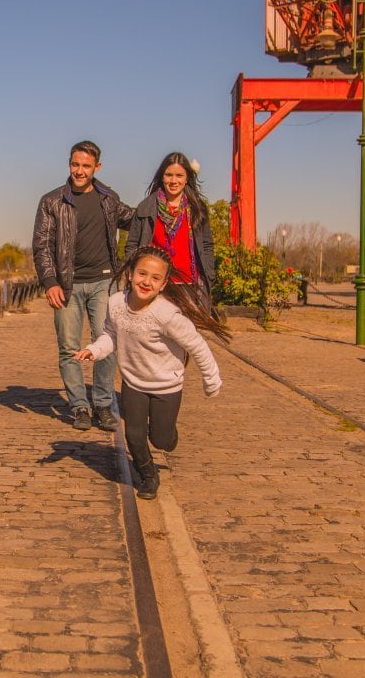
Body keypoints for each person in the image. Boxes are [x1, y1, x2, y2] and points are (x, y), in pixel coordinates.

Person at [75, 245, 228, 500]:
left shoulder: (167, 314)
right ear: (131, 274)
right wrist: (94, 350)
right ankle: (147, 475)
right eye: (142, 274)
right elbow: (111, 336)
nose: (146, 282)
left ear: (164, 284)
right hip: (133, 382)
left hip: (166, 386)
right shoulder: (115, 304)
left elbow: (197, 345)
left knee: (161, 439)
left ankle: (169, 435)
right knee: (134, 435)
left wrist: (211, 379)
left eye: (155, 278)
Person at [33, 140, 134, 432]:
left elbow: (135, 219)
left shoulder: (108, 199)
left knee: (108, 344)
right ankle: (79, 406)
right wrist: (50, 282)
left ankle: (102, 404)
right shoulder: (51, 201)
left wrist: (166, 206)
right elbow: (41, 246)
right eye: (75, 164)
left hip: (105, 282)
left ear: (97, 167)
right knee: (68, 348)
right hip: (67, 286)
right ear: (69, 164)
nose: (79, 171)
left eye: (86, 166)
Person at [125, 152, 215, 307]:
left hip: (189, 285)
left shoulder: (196, 209)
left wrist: (209, 274)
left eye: (179, 175)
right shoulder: (146, 207)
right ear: (162, 177)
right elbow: (132, 244)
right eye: (169, 175)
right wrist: (133, 272)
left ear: (187, 178)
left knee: (186, 331)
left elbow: (207, 245)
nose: (174, 181)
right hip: (154, 285)